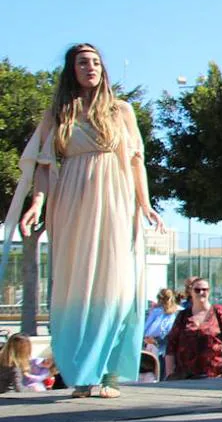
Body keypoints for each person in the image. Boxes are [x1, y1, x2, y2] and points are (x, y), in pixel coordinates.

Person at [8, 43, 163, 398]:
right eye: (82, 62)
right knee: (75, 286)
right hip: (73, 202)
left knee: (117, 284)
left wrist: (145, 203)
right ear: (72, 70)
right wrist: (36, 203)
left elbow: (136, 161)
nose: (90, 67)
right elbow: (45, 167)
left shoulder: (121, 110)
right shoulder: (59, 113)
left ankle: (110, 371)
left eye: (95, 61)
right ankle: (82, 373)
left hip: (115, 200)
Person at [163, 277, 222, 380]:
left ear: (209, 292)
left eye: (204, 289)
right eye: (197, 290)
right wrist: (169, 374)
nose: (201, 292)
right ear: (191, 292)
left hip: (214, 376)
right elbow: (171, 346)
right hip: (184, 377)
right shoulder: (183, 316)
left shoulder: (219, 314)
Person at [143, 288, 180, 360]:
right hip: (170, 345)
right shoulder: (178, 311)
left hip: (154, 344)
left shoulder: (156, 312)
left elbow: (146, 328)